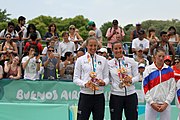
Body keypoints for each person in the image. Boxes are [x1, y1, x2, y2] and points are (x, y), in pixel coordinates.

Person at [73, 37, 109, 120]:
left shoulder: (103, 60)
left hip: (99, 95)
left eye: (95, 46)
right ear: (86, 46)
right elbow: (75, 78)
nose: (93, 48)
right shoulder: (80, 60)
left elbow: (107, 77)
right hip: (85, 95)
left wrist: (103, 83)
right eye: (90, 45)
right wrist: (85, 84)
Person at [108, 41, 139, 120]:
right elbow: (107, 79)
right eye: (115, 49)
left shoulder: (131, 61)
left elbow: (137, 77)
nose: (118, 50)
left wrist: (131, 80)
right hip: (116, 96)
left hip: (130, 95)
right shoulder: (109, 64)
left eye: (120, 48)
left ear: (123, 49)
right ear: (112, 50)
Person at [143, 47, 176, 120]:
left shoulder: (169, 70)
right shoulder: (148, 70)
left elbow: (172, 88)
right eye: (159, 56)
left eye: (163, 56)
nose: (161, 58)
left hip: (165, 104)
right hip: (151, 104)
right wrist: (151, 102)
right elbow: (145, 87)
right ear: (155, 56)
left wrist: (167, 102)